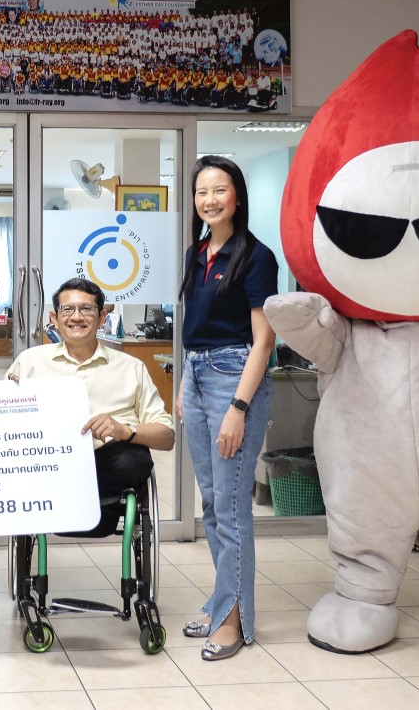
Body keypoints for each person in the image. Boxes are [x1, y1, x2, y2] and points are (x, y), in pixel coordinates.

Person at [176, 156, 278, 661]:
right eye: (201, 192)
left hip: (233, 377)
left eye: (220, 190)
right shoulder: (198, 253)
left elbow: (264, 340)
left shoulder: (256, 257)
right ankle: (221, 602)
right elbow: (191, 327)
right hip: (196, 376)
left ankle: (235, 621)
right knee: (213, 503)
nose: (210, 199)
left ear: (237, 196)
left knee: (233, 508)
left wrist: (239, 405)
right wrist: (182, 385)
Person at [7, 278, 173, 532]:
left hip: (107, 471)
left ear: (102, 316)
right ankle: (68, 498)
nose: (76, 317)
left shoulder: (131, 368)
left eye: (86, 309)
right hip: (48, 466)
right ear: (54, 317)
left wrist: (126, 431)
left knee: (133, 460)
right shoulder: (30, 362)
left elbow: (167, 437)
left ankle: (84, 504)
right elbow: (2, 428)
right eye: (67, 310)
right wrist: (11, 403)